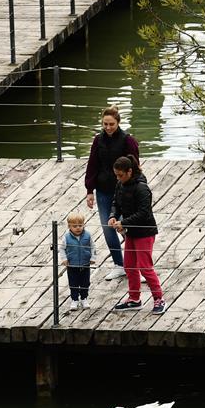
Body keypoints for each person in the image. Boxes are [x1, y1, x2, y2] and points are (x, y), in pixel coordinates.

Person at [84, 106, 140, 281]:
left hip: (124, 190)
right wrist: (89, 190)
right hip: (103, 190)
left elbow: (135, 166)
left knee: (126, 227)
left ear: (118, 123)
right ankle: (119, 264)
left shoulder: (128, 140)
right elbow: (92, 164)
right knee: (108, 227)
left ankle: (137, 265)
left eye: (111, 124)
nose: (108, 127)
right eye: (105, 124)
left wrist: (134, 187)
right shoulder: (98, 140)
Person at [108, 156, 165, 314]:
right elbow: (115, 203)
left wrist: (124, 223)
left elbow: (144, 213)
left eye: (120, 175)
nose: (118, 178)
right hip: (131, 232)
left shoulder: (142, 188)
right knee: (129, 266)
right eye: (116, 175)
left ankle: (159, 298)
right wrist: (113, 216)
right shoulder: (120, 184)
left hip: (145, 232)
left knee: (145, 267)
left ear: (129, 171)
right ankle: (134, 299)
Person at [58, 211, 97, 311]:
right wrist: (64, 259)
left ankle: (84, 298)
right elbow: (62, 249)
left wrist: (93, 257)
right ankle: (74, 299)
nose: (78, 228)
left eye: (80, 225)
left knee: (85, 282)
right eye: (74, 226)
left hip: (85, 264)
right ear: (69, 226)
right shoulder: (66, 237)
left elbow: (93, 246)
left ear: (84, 225)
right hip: (72, 265)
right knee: (73, 283)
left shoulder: (87, 235)